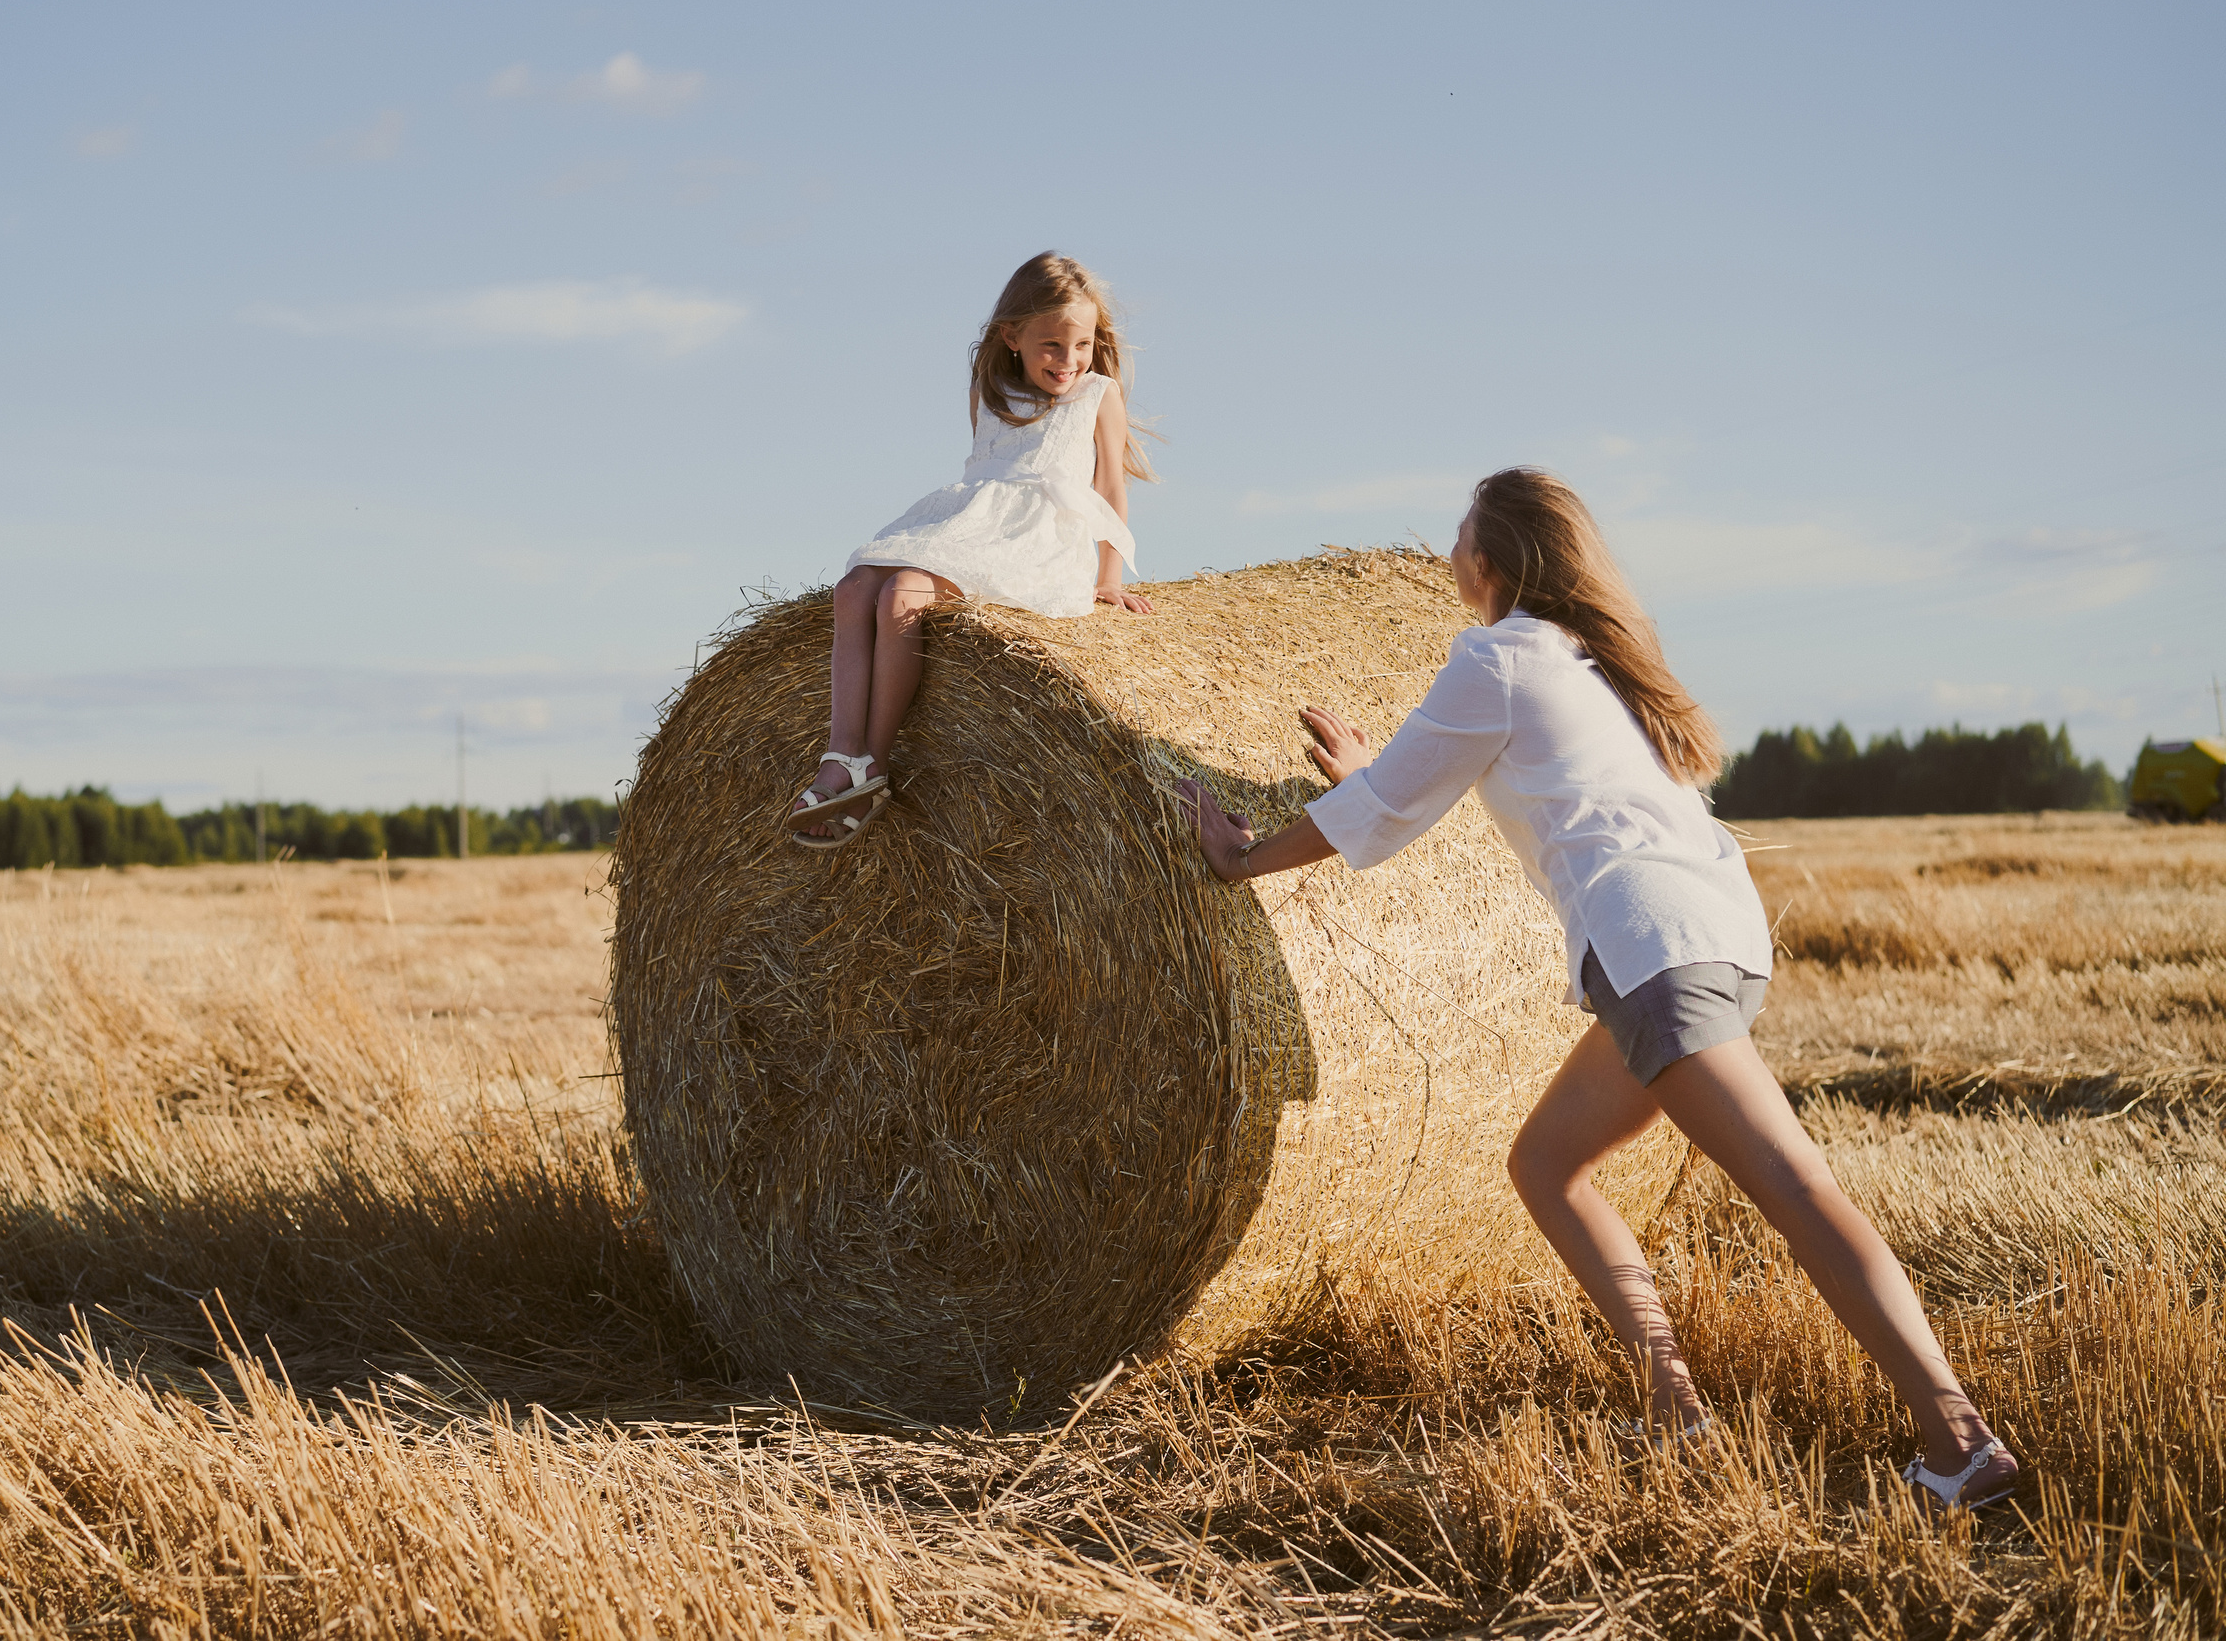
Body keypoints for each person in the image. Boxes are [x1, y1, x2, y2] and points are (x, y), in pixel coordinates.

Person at [1175, 468, 2020, 1511]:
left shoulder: (1498, 654)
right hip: (1704, 938)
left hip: (1656, 956)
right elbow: (1464, 796)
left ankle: (1960, 1438)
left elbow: (1395, 810)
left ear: (1488, 560)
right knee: (1546, 1163)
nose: (1447, 551)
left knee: (1796, 1192)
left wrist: (1237, 859)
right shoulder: (1593, 662)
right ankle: (1673, 1409)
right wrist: (1368, 777)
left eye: (1458, 533)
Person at [785, 252, 1155, 849]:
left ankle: (873, 764)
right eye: (1052, 346)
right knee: (854, 590)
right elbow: (986, 477)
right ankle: (841, 752)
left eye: (1080, 345)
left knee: (902, 595)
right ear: (1012, 336)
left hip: (1035, 539)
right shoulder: (988, 396)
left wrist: (1108, 576)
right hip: (972, 518)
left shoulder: (1096, 393)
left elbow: (1109, 485)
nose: (1068, 360)